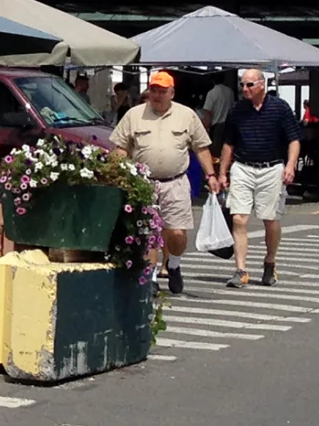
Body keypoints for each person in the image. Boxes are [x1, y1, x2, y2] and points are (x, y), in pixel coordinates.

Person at [111, 68, 211, 294]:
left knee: (176, 233)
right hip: (143, 183)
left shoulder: (186, 115)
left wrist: (212, 176)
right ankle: (152, 276)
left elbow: (201, 148)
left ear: (172, 93)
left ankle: (174, 265)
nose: (157, 95)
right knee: (148, 233)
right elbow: (120, 147)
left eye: (162, 91)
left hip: (175, 182)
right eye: (153, 90)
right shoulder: (134, 115)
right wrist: (119, 172)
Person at [215, 66, 302, 286]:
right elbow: (228, 143)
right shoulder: (237, 110)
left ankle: (270, 262)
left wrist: (290, 165)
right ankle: (241, 269)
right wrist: (222, 173)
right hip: (243, 167)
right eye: (242, 84)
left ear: (262, 84)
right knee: (238, 218)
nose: (245, 88)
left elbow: (294, 139)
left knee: (270, 219)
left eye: (249, 84)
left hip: (272, 168)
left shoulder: (280, 108)